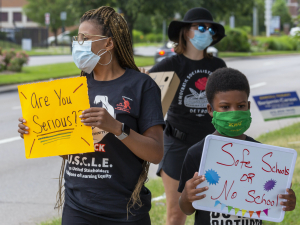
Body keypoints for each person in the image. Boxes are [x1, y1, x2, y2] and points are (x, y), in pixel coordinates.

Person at [18, 6, 165, 225]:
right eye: (76, 39)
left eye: (84, 38)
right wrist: (40, 133)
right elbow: (70, 152)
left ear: (109, 43)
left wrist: (117, 128)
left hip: (124, 210)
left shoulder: (141, 86)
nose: (77, 44)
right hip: (78, 207)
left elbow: (156, 154)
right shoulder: (74, 89)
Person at [140, 7, 227, 225]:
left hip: (211, 145)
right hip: (177, 145)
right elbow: (146, 90)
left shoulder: (217, 66)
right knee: (177, 214)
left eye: (209, 28)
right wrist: (141, 79)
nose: (205, 32)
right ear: (186, 32)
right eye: (200, 27)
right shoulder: (171, 64)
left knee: (211, 209)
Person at [178, 67, 297, 225]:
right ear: (210, 109)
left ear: (248, 106)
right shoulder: (196, 154)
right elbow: (187, 209)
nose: (233, 113)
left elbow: (276, 199)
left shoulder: (263, 156)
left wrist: (287, 201)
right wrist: (186, 196)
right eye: (225, 107)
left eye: (240, 106)